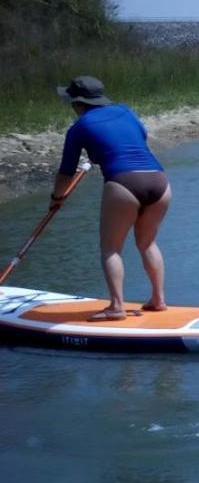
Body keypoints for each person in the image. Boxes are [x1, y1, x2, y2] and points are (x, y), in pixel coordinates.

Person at [51, 76, 171, 321]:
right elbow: (139, 139)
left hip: (123, 183)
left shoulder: (79, 128)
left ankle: (117, 307)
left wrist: (57, 197)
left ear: (77, 103)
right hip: (159, 181)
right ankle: (158, 299)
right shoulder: (126, 112)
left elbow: (66, 171)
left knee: (110, 250)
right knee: (147, 243)